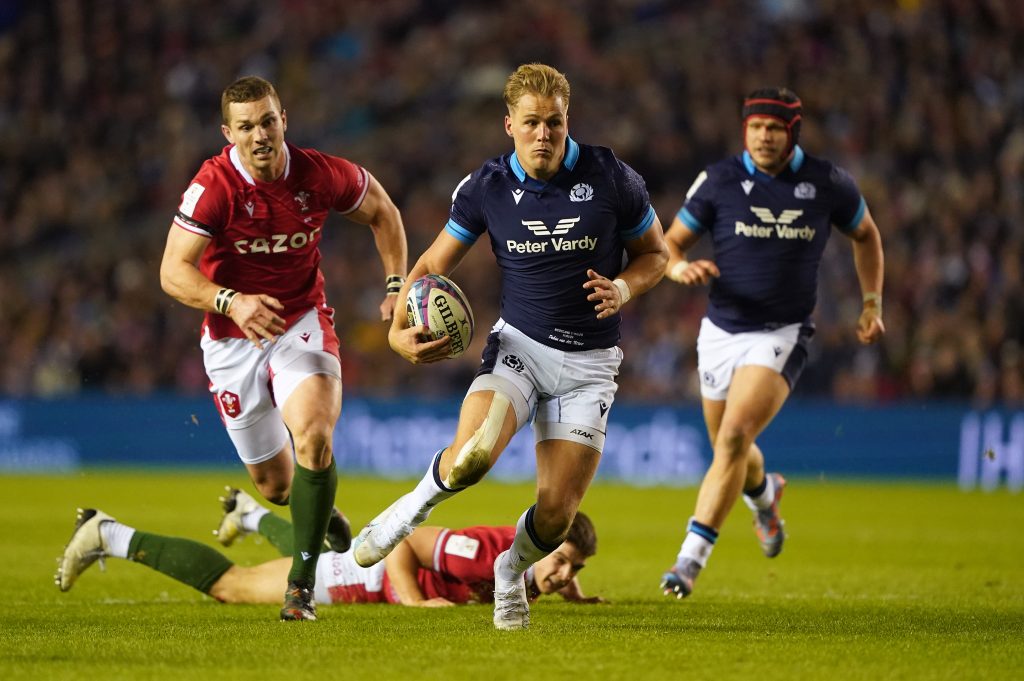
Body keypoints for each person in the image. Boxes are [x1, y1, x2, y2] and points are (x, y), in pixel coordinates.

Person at [349, 63, 668, 630]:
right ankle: (407, 513)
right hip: (519, 348)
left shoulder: (613, 177)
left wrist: (623, 288)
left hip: (592, 366)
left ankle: (509, 569)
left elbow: (656, 255)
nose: (543, 134)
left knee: (556, 517)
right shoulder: (487, 188)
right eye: (531, 123)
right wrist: (399, 330)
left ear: (568, 120)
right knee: (471, 455)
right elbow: (428, 266)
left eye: (554, 122)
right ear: (509, 125)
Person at [159, 76, 408, 620]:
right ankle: (320, 513)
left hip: (301, 322)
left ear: (283, 119)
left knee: (315, 436)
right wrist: (231, 301)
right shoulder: (214, 186)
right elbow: (172, 272)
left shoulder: (320, 174)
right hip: (232, 339)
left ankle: (300, 586)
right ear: (229, 133)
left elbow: (383, 211)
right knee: (275, 486)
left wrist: (396, 287)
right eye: (246, 126)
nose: (260, 135)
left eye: (267, 121)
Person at [659, 87, 885, 598]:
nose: (764, 136)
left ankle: (689, 561)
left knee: (735, 435)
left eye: (775, 128)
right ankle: (765, 496)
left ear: (792, 132)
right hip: (719, 331)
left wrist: (872, 301)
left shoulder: (826, 182)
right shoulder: (720, 181)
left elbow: (867, 234)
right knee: (729, 448)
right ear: (745, 130)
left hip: (781, 332)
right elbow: (671, 243)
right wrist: (678, 268)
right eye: (756, 126)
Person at [53, 490, 601, 608]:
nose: (561, 574)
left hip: (363, 575)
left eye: (570, 568)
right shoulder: (487, 555)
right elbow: (409, 542)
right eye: (560, 564)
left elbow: (555, 564)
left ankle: (249, 514)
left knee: (304, 552)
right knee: (233, 587)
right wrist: (412, 602)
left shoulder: (540, 558)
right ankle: (108, 533)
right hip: (366, 579)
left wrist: (570, 589)